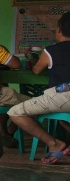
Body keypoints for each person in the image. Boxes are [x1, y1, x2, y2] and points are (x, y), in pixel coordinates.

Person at [8, 11, 70, 164]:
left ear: (59, 30)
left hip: (60, 96)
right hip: (63, 102)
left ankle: (54, 143)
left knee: (15, 113)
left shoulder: (51, 51)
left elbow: (36, 70)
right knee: (62, 120)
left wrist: (32, 61)